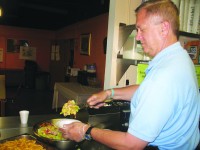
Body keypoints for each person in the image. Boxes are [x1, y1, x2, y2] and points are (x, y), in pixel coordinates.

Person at [59, 0, 200, 149]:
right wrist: (109, 93)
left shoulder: (163, 77)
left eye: (141, 29)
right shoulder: (180, 58)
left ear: (164, 28)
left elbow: (132, 145)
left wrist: (85, 131)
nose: (138, 37)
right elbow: (145, 89)